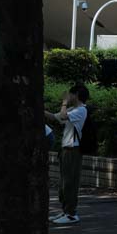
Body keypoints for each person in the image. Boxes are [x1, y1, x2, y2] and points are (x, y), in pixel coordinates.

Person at [47, 85, 88, 224]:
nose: (68, 97)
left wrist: (64, 102)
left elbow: (63, 115)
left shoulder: (82, 110)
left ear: (76, 95)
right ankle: (66, 211)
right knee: (64, 183)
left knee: (70, 182)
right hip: (66, 150)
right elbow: (55, 117)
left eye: (70, 94)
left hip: (73, 150)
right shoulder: (73, 110)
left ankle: (71, 214)